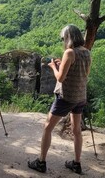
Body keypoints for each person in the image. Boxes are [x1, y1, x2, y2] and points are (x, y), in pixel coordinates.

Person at [28, 24, 92, 174]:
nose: (63, 40)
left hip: (66, 97)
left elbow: (60, 78)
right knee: (76, 130)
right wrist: (62, 64)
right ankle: (77, 163)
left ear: (68, 37)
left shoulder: (69, 52)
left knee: (47, 127)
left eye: (63, 38)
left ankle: (41, 162)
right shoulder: (87, 52)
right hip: (80, 96)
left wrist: (53, 67)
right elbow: (84, 73)